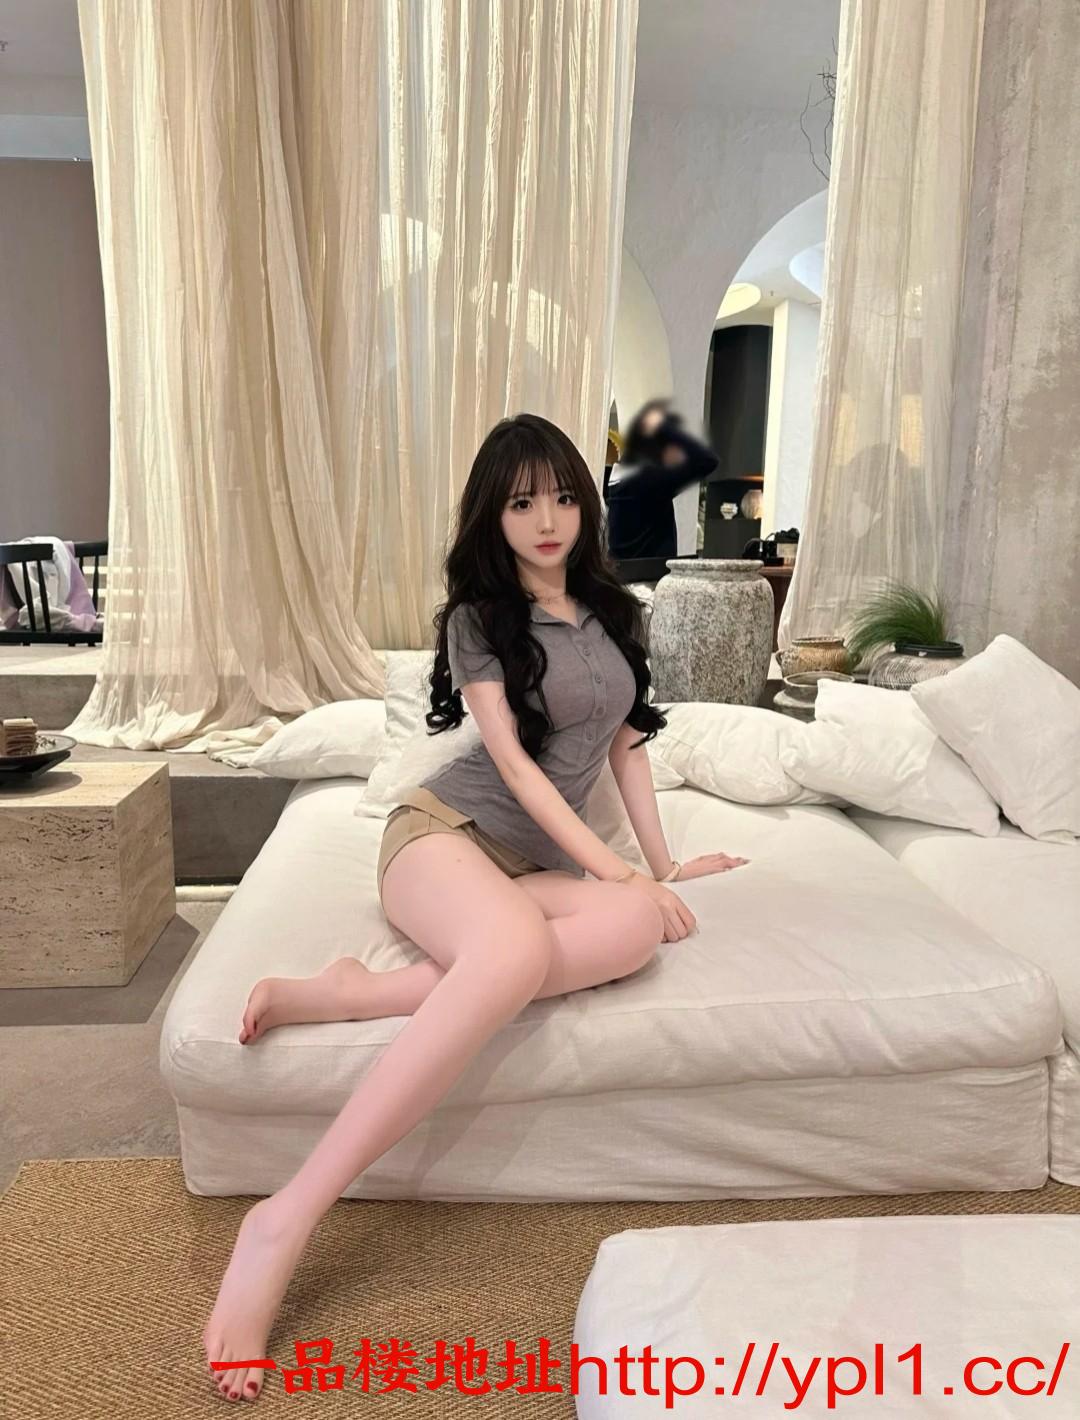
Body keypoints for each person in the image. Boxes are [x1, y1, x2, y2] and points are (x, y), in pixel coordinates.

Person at [203, 412, 750, 1403]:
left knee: (635, 929)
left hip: (520, 870)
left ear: (587, 505)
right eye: (522, 501)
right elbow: (515, 768)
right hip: (441, 837)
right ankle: (286, 1215)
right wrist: (615, 868)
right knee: (516, 948)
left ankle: (355, 992)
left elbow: (626, 748)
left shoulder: (615, 613)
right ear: (493, 516)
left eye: (564, 497)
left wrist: (660, 871)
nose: (547, 520)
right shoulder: (479, 621)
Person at [605, 400, 719, 561]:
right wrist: (667, 430)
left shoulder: (618, 477)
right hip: (653, 572)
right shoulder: (650, 479)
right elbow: (707, 460)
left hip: (625, 571)